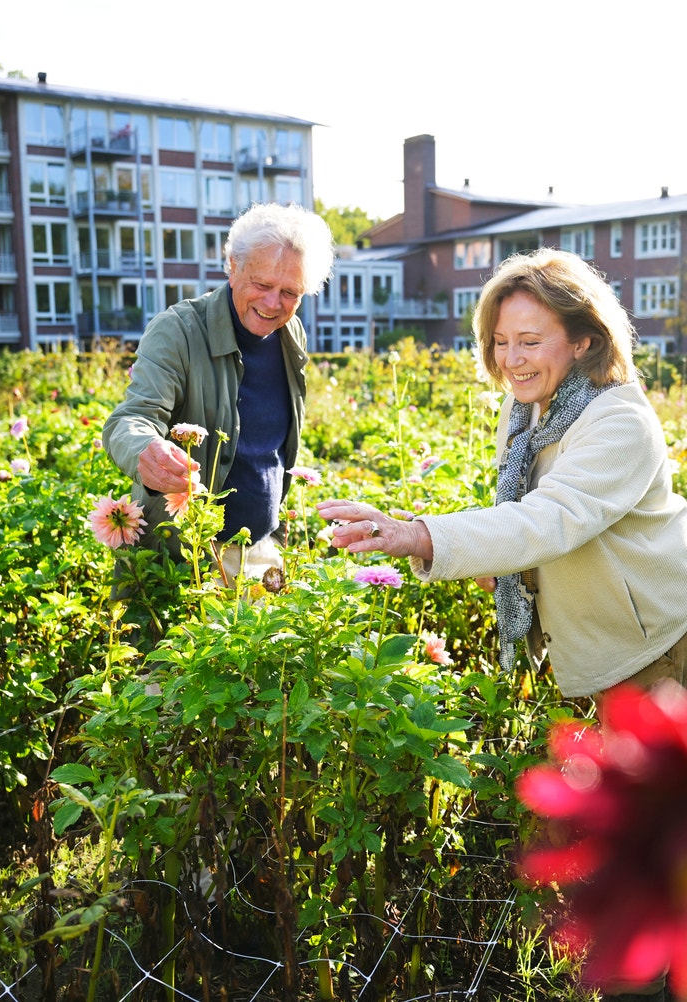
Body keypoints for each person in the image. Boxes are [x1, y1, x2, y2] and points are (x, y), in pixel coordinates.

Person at [317, 247, 687, 1002]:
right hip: (602, 652)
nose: (510, 359)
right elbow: (528, 528)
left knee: (660, 858)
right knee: (621, 851)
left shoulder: (617, 419)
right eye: (500, 340)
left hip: (660, 653)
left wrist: (423, 535)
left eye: (531, 340)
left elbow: (551, 520)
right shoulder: (530, 411)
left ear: (582, 341)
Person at [103, 201, 334, 582]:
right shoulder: (178, 330)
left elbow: (275, 449)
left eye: (290, 292)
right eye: (261, 284)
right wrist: (146, 449)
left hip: (262, 551)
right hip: (188, 557)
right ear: (232, 266)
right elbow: (131, 418)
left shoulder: (291, 336)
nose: (273, 303)